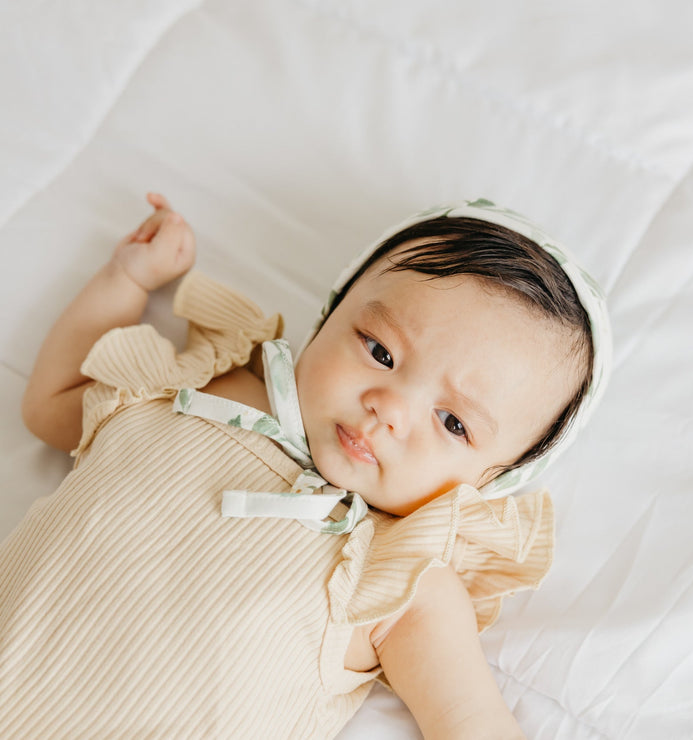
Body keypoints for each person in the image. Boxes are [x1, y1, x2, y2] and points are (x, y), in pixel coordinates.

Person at [1, 193, 610, 739]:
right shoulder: (207, 383)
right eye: (380, 351)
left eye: (454, 423)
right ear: (331, 314)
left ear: (492, 481)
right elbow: (53, 404)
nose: (390, 408)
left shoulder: (402, 580)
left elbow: (471, 724)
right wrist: (126, 279)